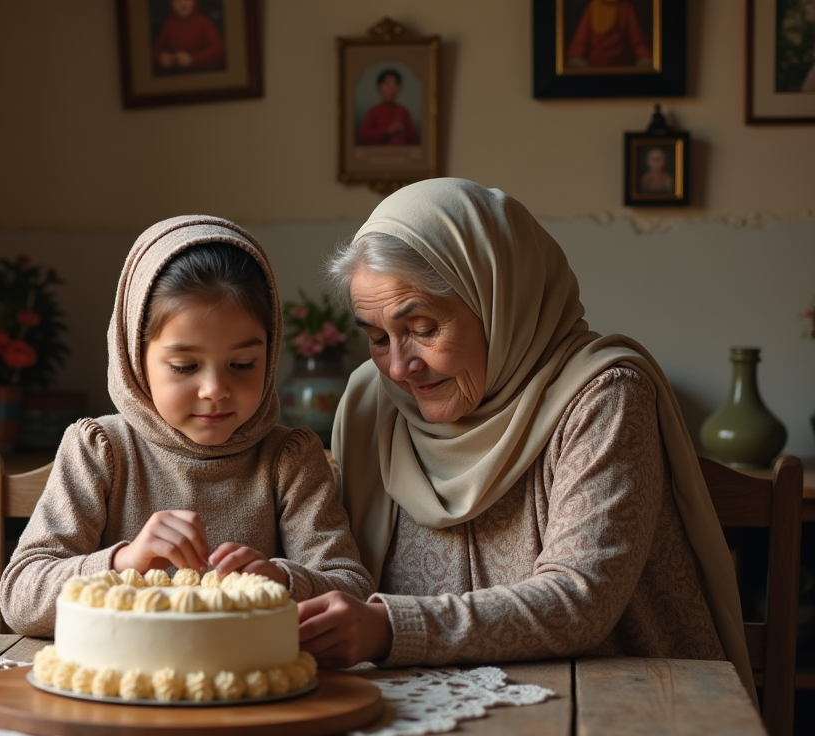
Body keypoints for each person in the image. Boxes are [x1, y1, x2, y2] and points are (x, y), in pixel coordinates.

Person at [297, 178, 754, 699]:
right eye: (378, 338)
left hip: (620, 709)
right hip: (426, 711)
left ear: (499, 301)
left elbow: (581, 601)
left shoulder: (603, 396)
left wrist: (387, 627)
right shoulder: (369, 404)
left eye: (423, 327)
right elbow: (342, 573)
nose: (400, 367)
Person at [0, 216, 373, 636]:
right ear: (134, 358)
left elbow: (353, 590)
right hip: (117, 692)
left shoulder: (288, 458)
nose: (215, 389)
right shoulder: (101, 449)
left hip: (248, 690)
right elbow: (20, 598)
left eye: (242, 365)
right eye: (184, 366)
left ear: (270, 355)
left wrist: (282, 581)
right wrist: (124, 563)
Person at [566, 0, 652, 69]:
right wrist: (575, 58)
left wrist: (645, 59)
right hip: (594, 69)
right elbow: (580, 42)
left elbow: (638, 41)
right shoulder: (593, 7)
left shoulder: (626, 8)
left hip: (622, 68)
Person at [153, 0, 226, 74]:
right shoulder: (168, 25)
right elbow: (155, 51)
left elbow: (218, 49)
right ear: (171, 4)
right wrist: (160, 58)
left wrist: (192, 60)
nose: (183, 4)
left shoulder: (203, 22)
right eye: (177, 1)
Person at [356, 69, 420, 146]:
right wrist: (387, 131)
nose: (391, 89)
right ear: (379, 88)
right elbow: (363, 136)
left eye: (395, 85)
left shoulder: (403, 111)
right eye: (387, 84)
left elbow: (415, 140)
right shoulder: (374, 111)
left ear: (399, 89)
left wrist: (403, 132)